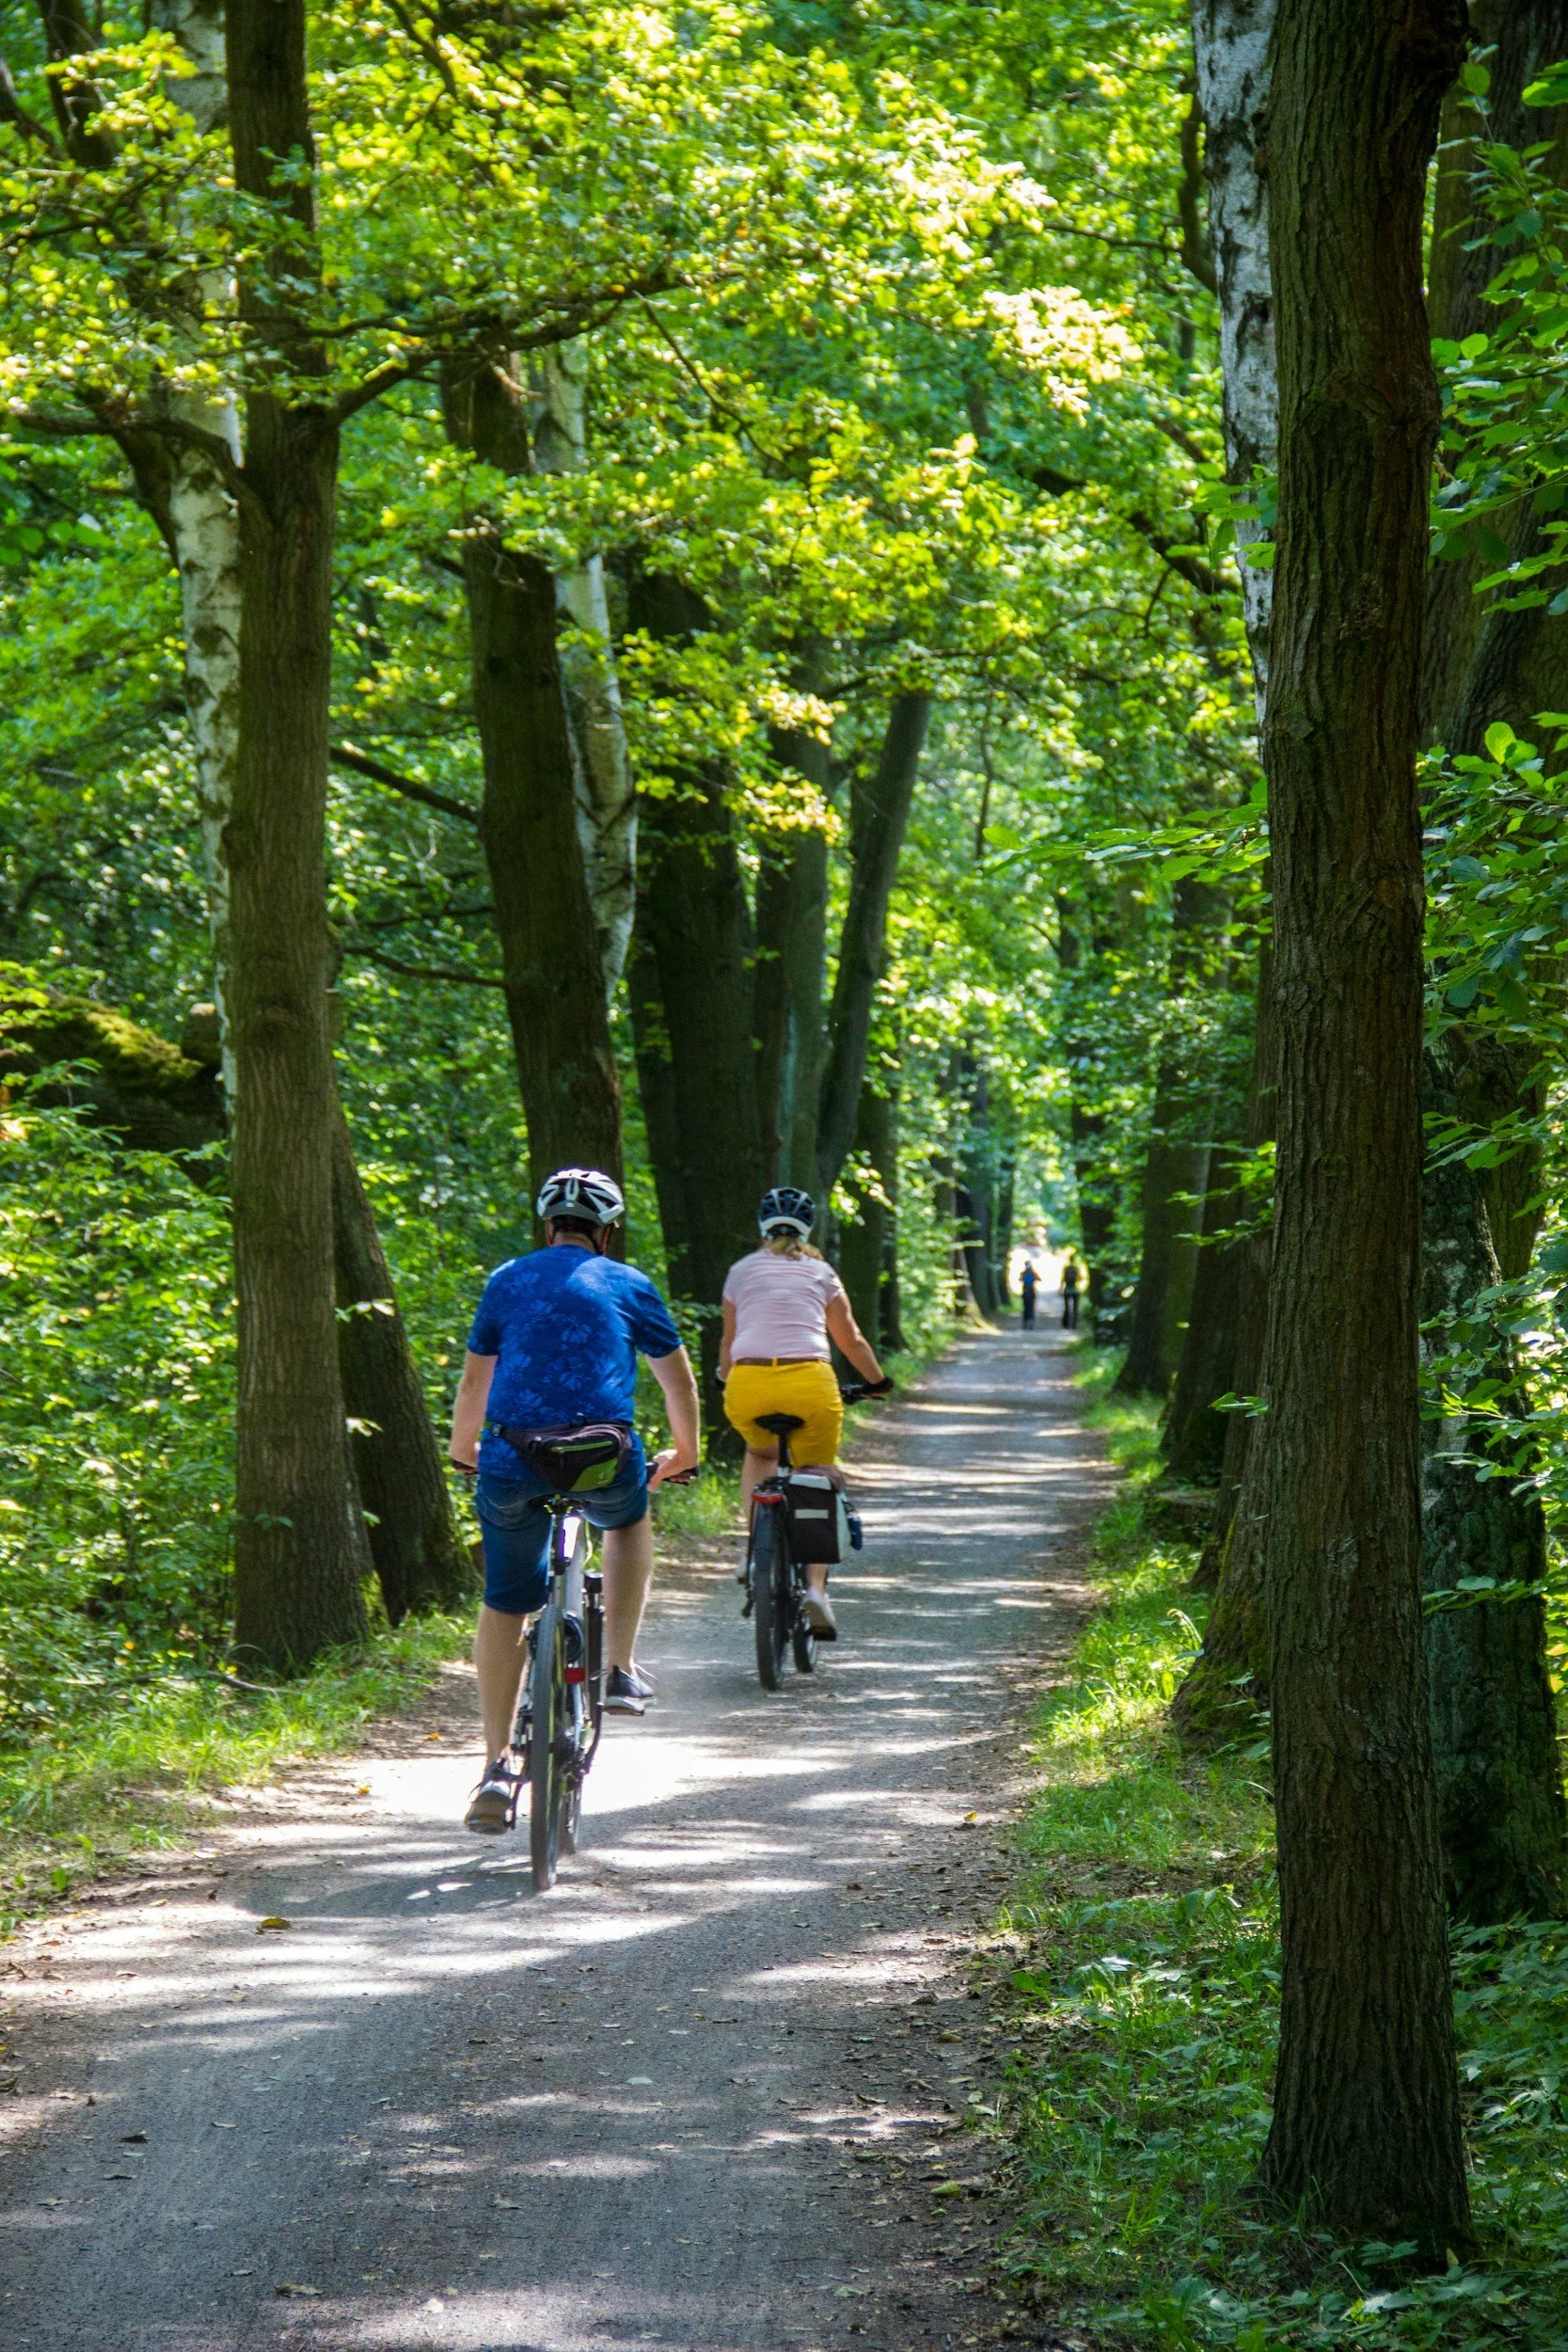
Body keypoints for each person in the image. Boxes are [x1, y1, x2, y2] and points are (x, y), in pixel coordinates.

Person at [450, 1167, 700, 1834]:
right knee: (627, 1523)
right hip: (601, 1459)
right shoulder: (628, 1284)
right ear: (608, 1231)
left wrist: (462, 1451)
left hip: (511, 1457)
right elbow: (678, 1383)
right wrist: (687, 1451)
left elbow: (476, 1381)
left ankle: (495, 1767)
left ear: (546, 1225)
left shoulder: (507, 1279)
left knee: (504, 1601)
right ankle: (618, 1668)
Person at [720, 1185, 891, 1640]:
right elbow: (849, 1338)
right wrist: (876, 1381)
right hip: (811, 1384)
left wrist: (724, 1376)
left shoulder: (740, 1272)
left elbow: (729, 1341)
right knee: (816, 1473)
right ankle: (816, 1589)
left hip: (749, 1384)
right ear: (808, 1229)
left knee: (760, 1456)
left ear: (762, 1226)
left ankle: (754, 1550)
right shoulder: (821, 1272)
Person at [1061, 1256, 1082, 1330]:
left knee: (1067, 1308)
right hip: (1075, 1290)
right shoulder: (1076, 1269)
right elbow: (1080, 1278)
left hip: (1067, 1290)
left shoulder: (1066, 1268)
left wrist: (1060, 1289)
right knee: (1075, 1308)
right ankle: (1074, 1324)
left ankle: (1066, 1324)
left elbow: (1062, 1279)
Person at [1019, 1258, 1039, 1328]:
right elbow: (1039, 1279)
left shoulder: (1023, 1273)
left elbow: (1020, 1279)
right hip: (1031, 1291)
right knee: (1031, 1307)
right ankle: (1030, 1323)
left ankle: (1025, 1323)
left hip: (1025, 1291)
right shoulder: (1033, 1273)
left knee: (1026, 1307)